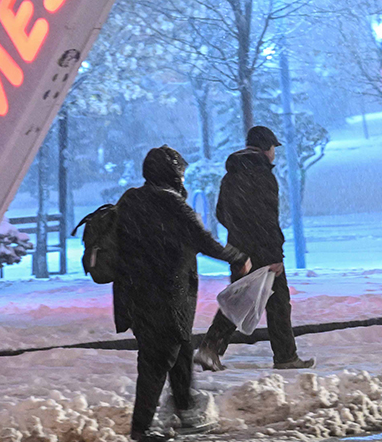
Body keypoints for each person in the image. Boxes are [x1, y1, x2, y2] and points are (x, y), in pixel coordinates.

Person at [115, 145, 251, 441]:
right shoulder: (170, 204)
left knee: (178, 350)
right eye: (181, 173)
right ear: (172, 174)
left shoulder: (131, 200)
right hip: (164, 296)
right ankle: (141, 430)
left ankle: (186, 408)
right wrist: (237, 257)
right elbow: (203, 239)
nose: (183, 178)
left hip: (137, 295)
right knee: (156, 361)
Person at [194, 126, 314, 371]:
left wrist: (239, 239)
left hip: (239, 252)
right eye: (273, 149)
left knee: (239, 300)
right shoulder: (262, 175)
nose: (274, 155)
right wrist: (274, 256)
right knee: (278, 303)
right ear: (266, 147)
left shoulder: (231, 175)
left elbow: (221, 213)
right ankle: (285, 357)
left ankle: (210, 349)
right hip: (263, 252)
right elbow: (267, 218)